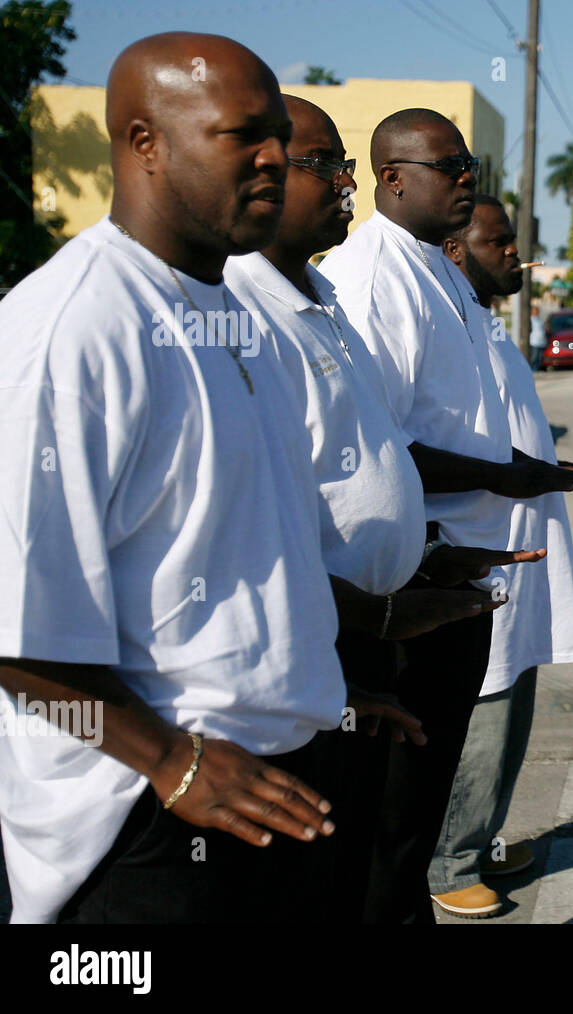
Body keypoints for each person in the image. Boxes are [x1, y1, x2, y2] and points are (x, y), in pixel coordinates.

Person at [0, 32, 367, 925]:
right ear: (142, 143)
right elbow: (13, 635)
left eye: (280, 133)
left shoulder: (235, 312)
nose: (278, 157)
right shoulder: (74, 329)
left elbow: (247, 545)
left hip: (277, 785)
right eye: (244, 135)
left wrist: (323, 682)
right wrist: (173, 762)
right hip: (147, 822)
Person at [224, 97, 541, 919]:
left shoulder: (325, 293)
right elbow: (238, 524)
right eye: (325, 164)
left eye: (346, 165)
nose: (346, 182)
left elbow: (365, 457)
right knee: (351, 863)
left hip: (388, 613)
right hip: (329, 642)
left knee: (392, 843)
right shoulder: (238, 312)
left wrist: (426, 557)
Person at [319, 107, 573, 924]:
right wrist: (506, 478)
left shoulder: (434, 269)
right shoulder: (374, 278)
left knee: (419, 799)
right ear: (392, 179)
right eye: (452, 165)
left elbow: (453, 414)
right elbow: (384, 443)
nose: (469, 177)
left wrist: (527, 471)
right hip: (414, 570)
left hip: (460, 563)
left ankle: (435, 875)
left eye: (469, 163)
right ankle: (438, 874)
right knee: (394, 816)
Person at [432, 194, 573, 916]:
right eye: (499, 243)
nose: (517, 255)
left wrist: (547, 470)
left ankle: (485, 838)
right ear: (455, 250)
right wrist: (512, 476)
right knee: (483, 715)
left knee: (513, 708)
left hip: (522, 545)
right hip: (478, 550)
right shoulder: (440, 325)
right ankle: (449, 865)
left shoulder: (486, 326)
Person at [529, 303, 547, 370]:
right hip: (534, 342)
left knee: (539, 359)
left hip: (541, 342)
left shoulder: (539, 320)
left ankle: (537, 370)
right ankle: (533, 370)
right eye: (536, 310)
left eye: (538, 310)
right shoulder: (531, 319)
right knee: (534, 358)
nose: (537, 312)